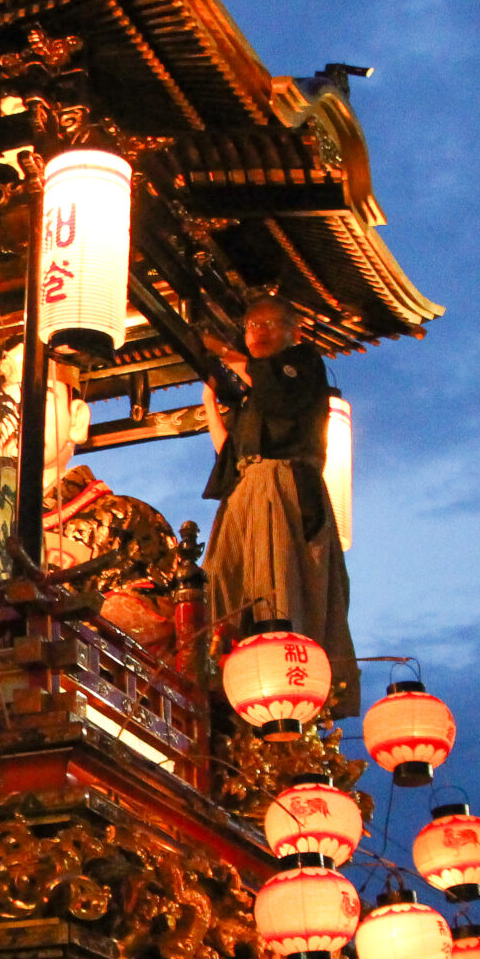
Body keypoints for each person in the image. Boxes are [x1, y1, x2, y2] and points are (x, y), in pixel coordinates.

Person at [200, 294, 359, 716]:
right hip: (247, 489)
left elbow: (277, 390)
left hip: (282, 485)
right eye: (252, 326)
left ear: (296, 332)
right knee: (224, 584)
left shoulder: (303, 367)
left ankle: (286, 679)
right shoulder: (256, 395)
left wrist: (222, 353)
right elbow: (229, 453)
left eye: (270, 324)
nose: (259, 333)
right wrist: (209, 405)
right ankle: (225, 673)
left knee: (277, 586)